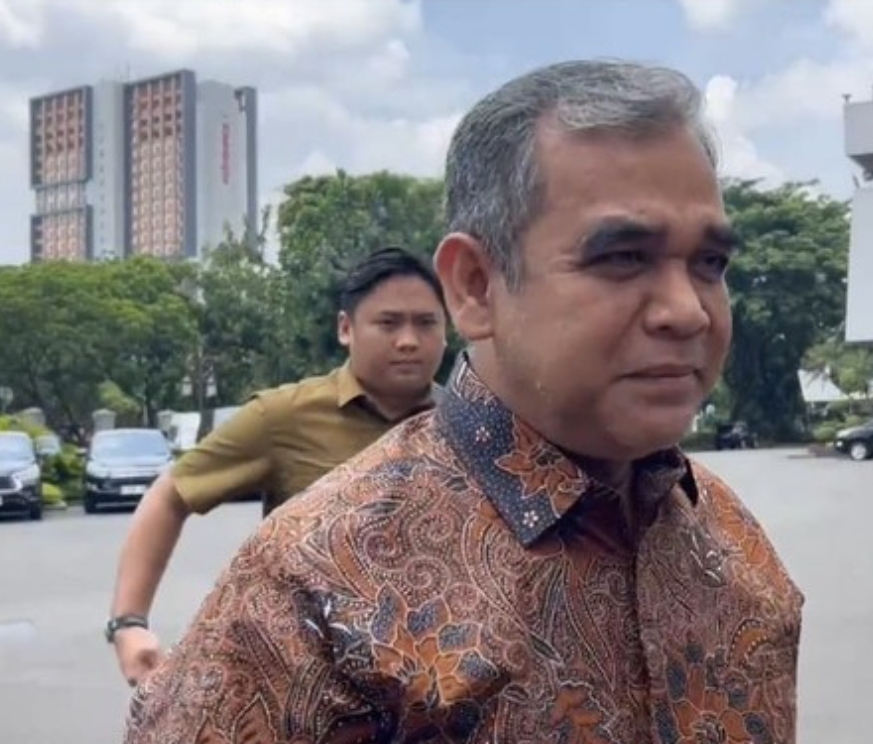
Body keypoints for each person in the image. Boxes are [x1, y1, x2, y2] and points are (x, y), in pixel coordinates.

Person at [125, 59, 804, 744]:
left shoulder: (733, 542)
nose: (687, 311)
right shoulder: (309, 587)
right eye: (624, 257)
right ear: (476, 287)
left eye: (709, 264)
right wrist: (127, 623)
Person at [107, 247, 448, 687]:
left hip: (442, 683)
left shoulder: (472, 421)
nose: (408, 341)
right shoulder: (282, 417)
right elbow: (170, 495)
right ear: (346, 328)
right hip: (309, 685)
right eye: (388, 323)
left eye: (426, 323)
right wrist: (128, 623)